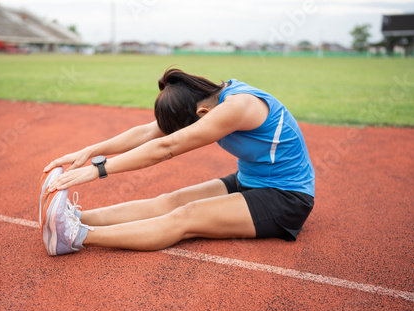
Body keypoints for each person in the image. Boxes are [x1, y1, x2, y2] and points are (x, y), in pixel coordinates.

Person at [39, 68, 315, 256]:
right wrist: (90, 151)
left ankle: (75, 236)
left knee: (186, 216)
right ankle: (74, 218)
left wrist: (98, 170)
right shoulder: (206, 101)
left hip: (286, 199)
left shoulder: (238, 106)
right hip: (249, 180)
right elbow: (149, 132)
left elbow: (166, 146)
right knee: (169, 201)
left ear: (203, 113)